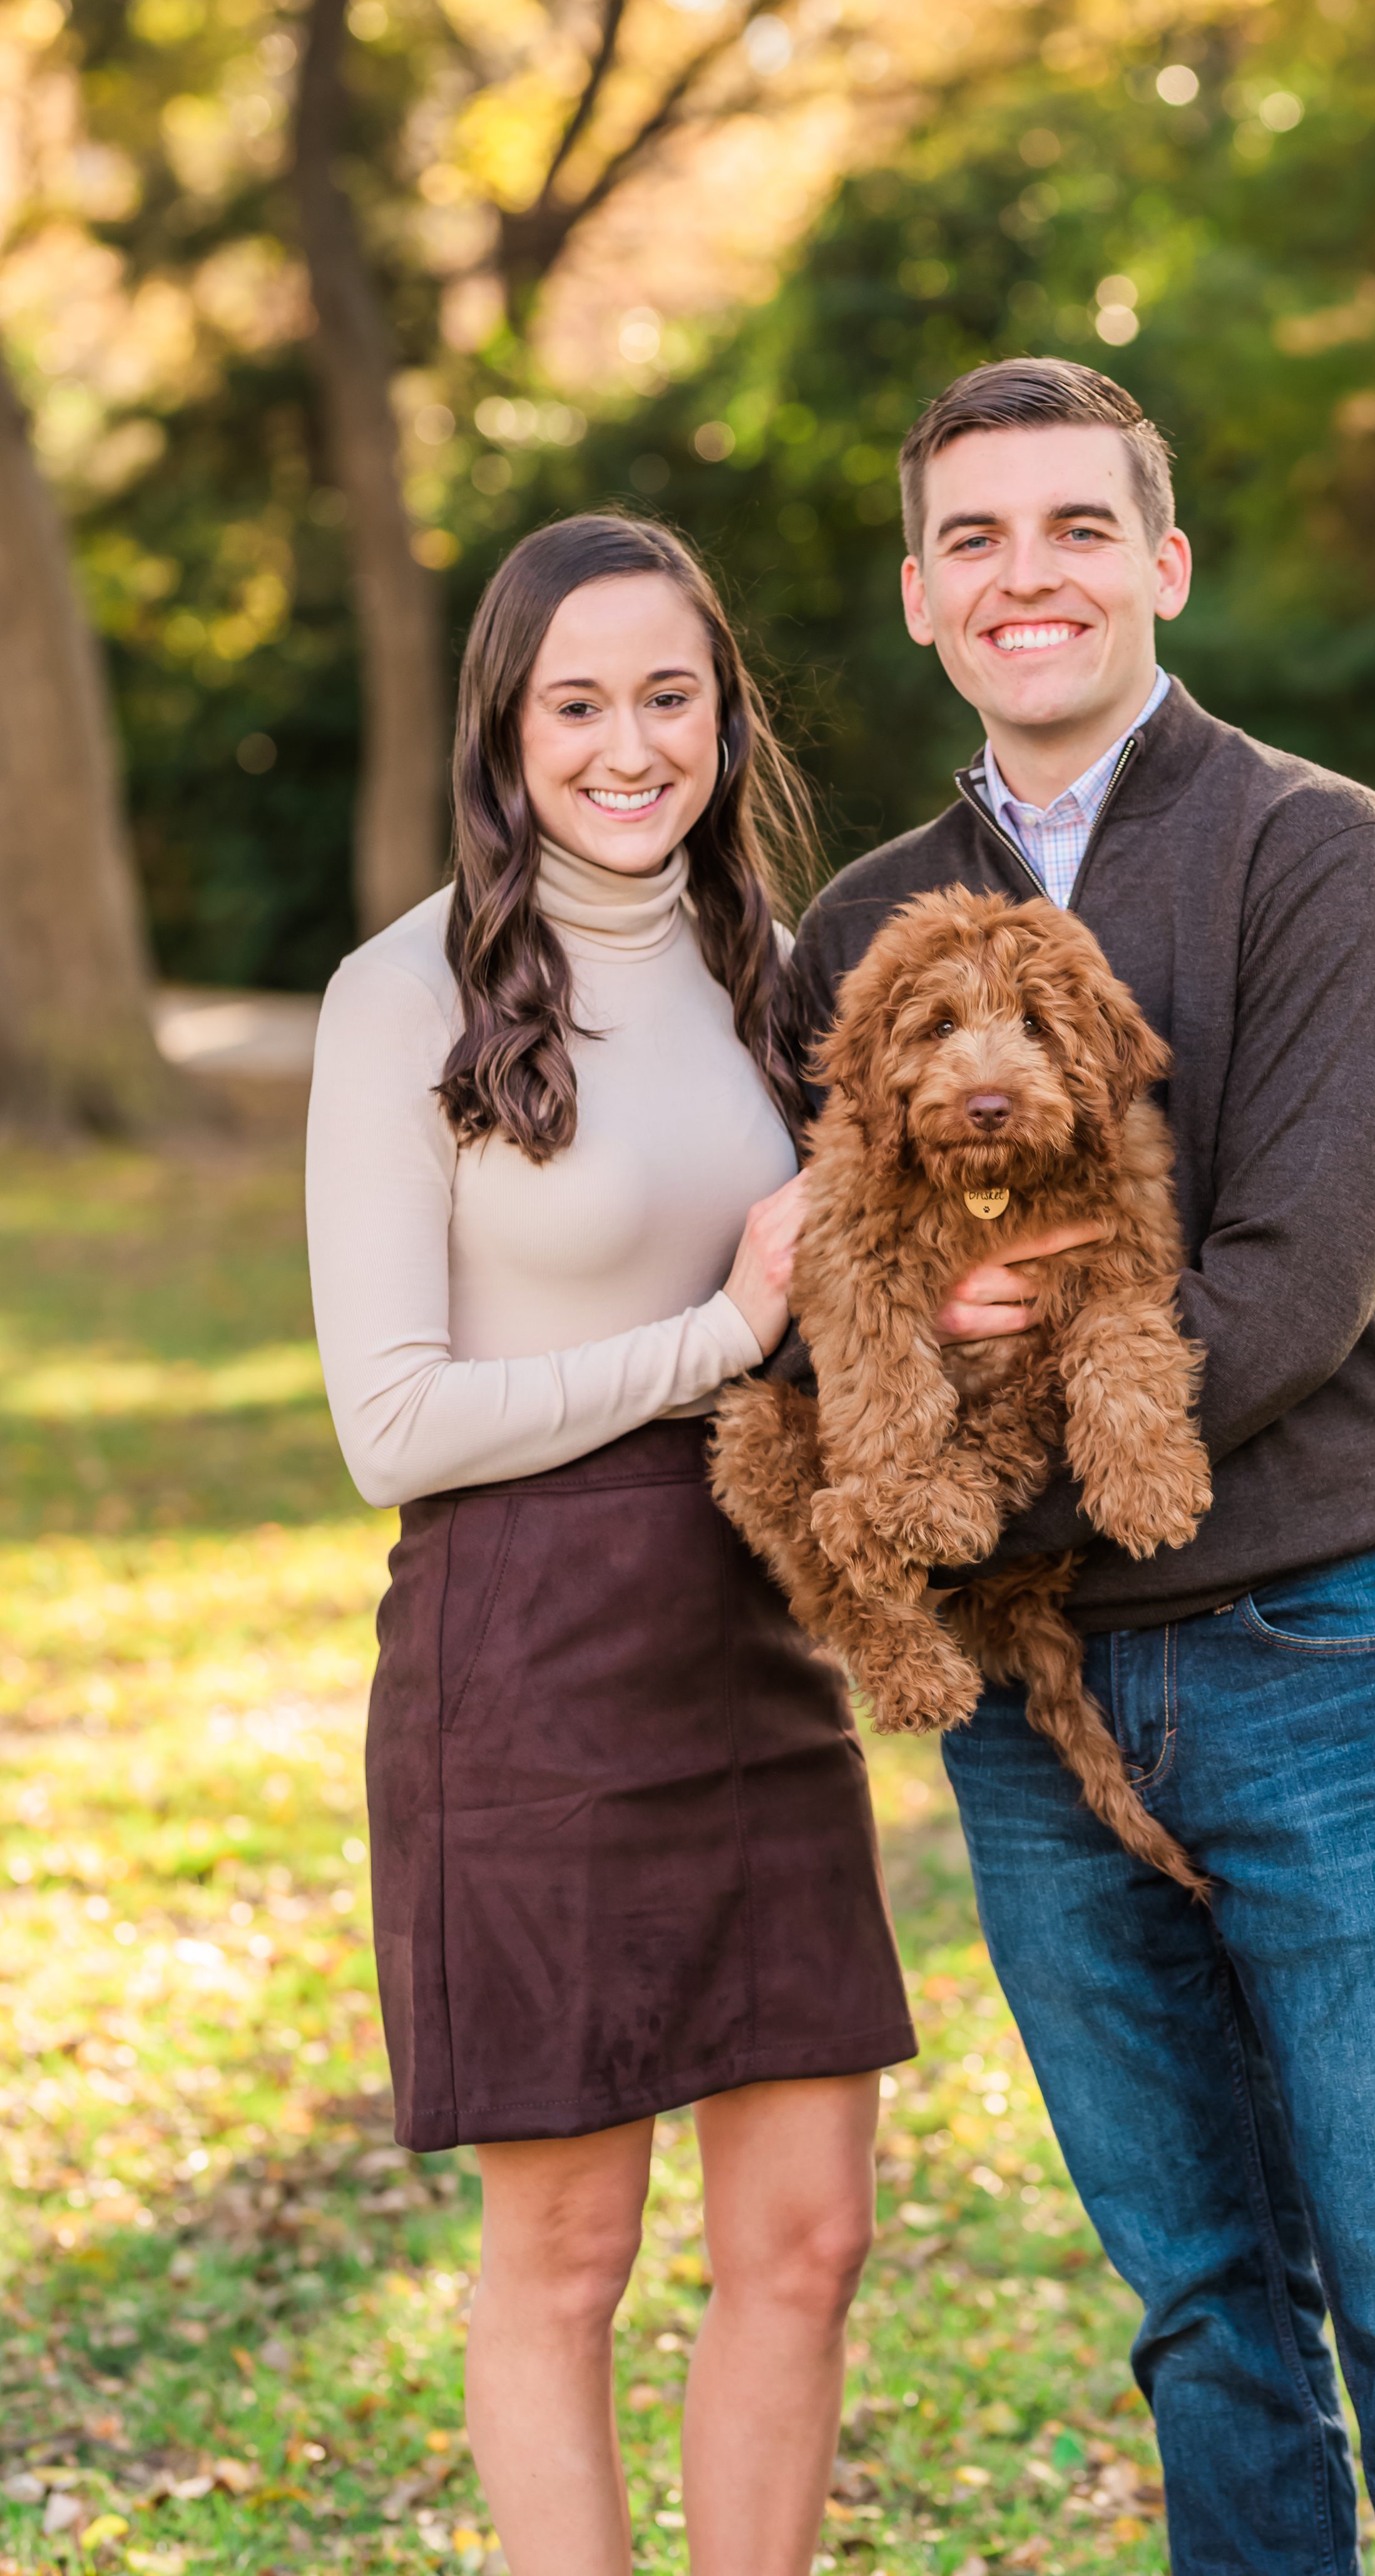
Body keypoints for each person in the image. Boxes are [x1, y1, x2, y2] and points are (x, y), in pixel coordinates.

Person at [782, 360, 1375, 2576]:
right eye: (974, 540)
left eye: (1071, 529)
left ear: (1164, 564)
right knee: (1208, 2313)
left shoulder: (1319, 850)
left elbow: (1298, 1278)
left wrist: (964, 1506)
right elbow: (811, 1275)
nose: (1023, 574)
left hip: (1311, 1645)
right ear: (926, 598)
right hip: (1032, 1723)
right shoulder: (860, 928)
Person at [305, 513, 914, 2576]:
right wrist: (721, 1334)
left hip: (756, 1637)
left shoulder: (777, 977)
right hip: (528, 1652)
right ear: (508, 728)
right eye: (581, 702)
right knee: (567, 2249)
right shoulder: (406, 997)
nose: (631, 743)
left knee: (810, 2237)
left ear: (727, 720)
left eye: (673, 695)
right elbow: (389, 1425)